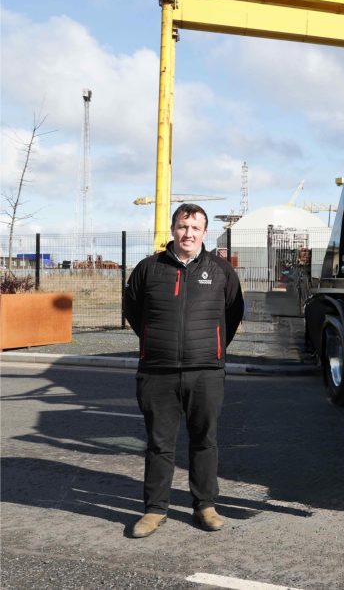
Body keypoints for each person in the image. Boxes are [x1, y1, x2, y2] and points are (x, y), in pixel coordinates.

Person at [123, 203, 244, 538]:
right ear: (172, 229)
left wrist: (212, 348)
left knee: (205, 440)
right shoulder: (148, 268)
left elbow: (232, 314)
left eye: (195, 228)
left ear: (205, 233)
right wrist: (155, 341)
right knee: (159, 443)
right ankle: (154, 509)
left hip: (205, 372)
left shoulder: (221, 271)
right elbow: (133, 308)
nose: (188, 233)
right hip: (157, 372)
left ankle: (205, 505)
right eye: (182, 226)